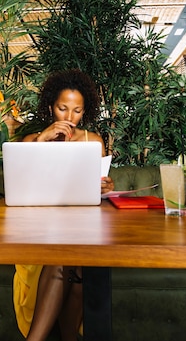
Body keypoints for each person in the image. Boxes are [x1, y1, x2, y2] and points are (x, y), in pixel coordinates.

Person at [13, 69, 114, 341]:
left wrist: (102, 186)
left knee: (78, 263)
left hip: (81, 228)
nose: (69, 117)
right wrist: (42, 140)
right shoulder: (31, 142)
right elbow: (20, 186)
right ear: (50, 107)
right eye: (63, 108)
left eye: (77, 110)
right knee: (64, 260)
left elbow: (93, 195)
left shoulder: (93, 142)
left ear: (85, 111)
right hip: (41, 230)